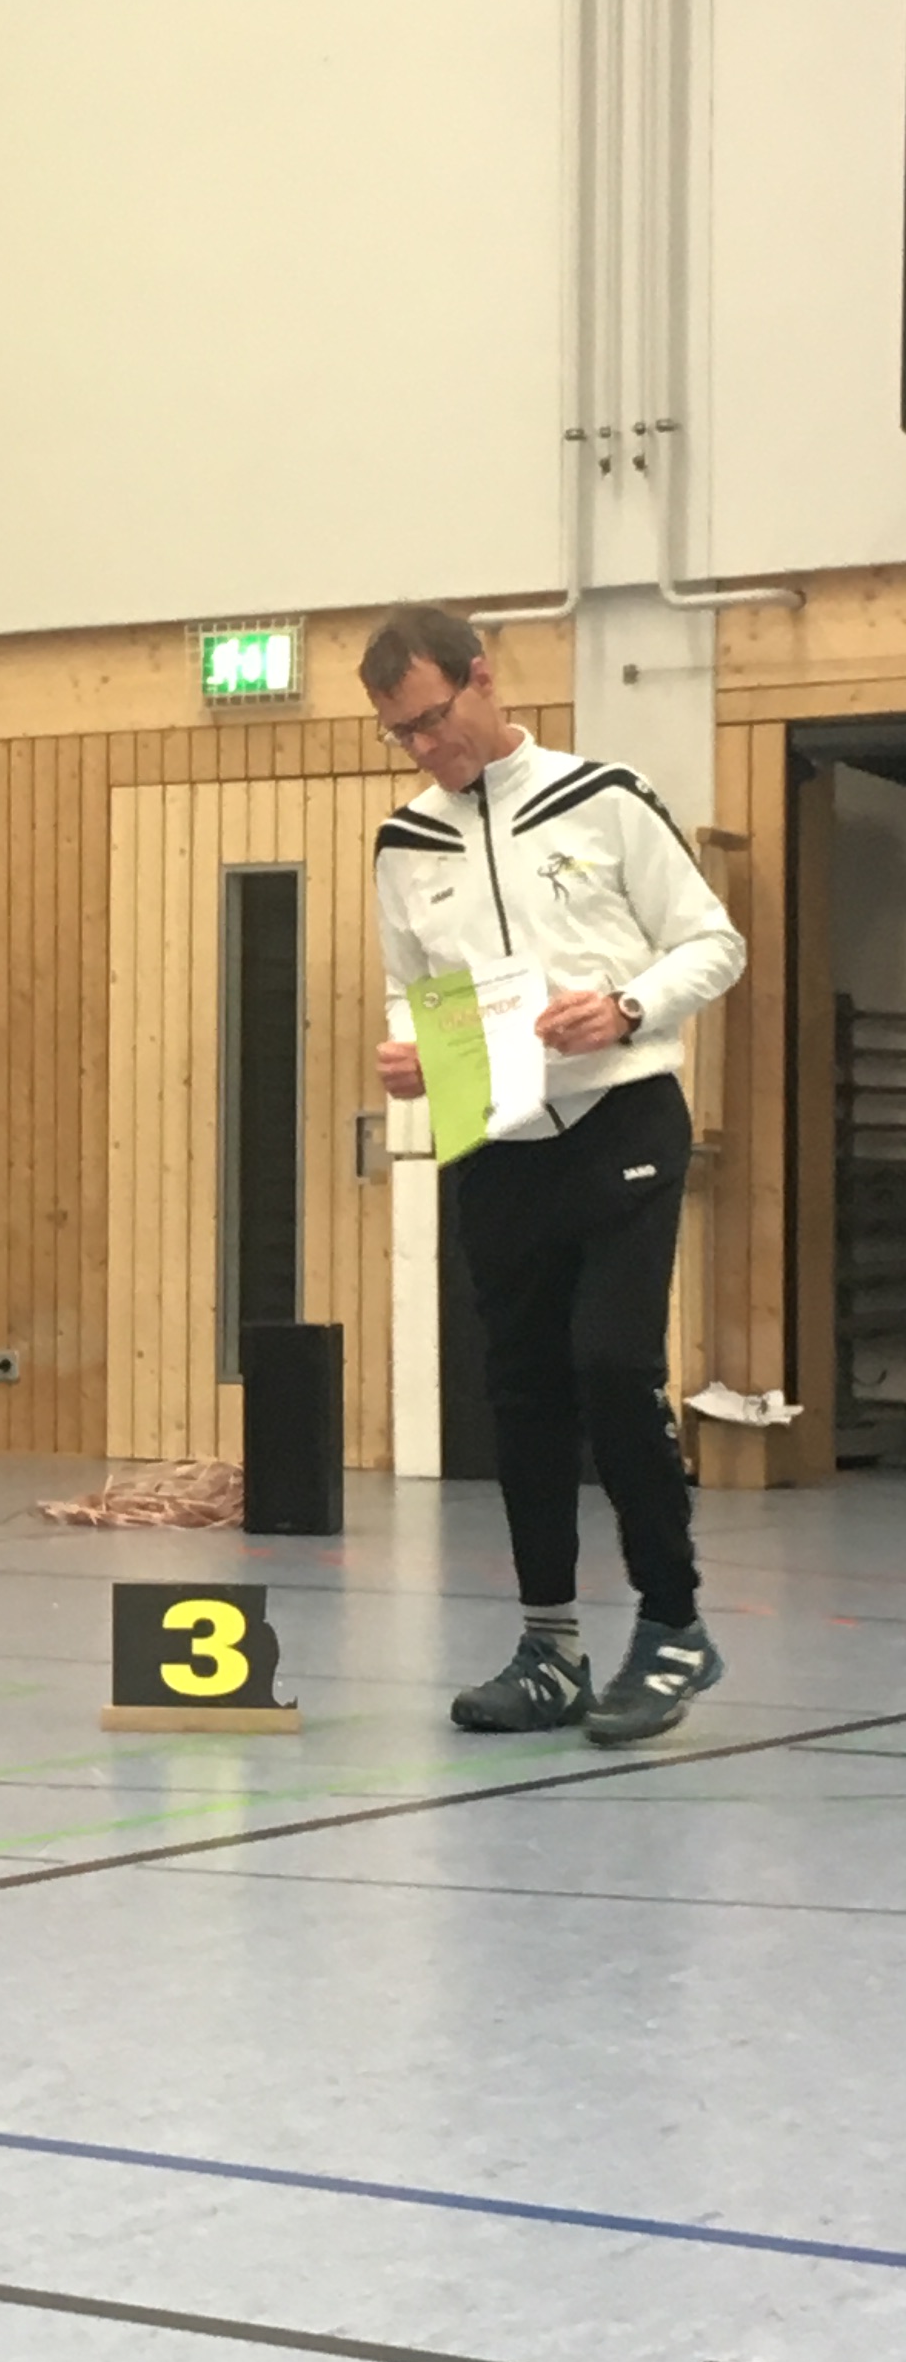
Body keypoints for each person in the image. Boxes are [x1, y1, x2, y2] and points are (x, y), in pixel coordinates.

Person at [364, 603, 744, 1745]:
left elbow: (713, 943)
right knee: (522, 1390)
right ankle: (550, 1649)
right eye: (401, 734)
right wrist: (410, 1056)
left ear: (483, 680)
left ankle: (673, 1624)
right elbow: (410, 991)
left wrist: (627, 1004)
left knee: (613, 1364)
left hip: (622, 1115)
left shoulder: (604, 797)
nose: (425, 747)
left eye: (433, 718)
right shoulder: (404, 843)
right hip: (498, 1140)